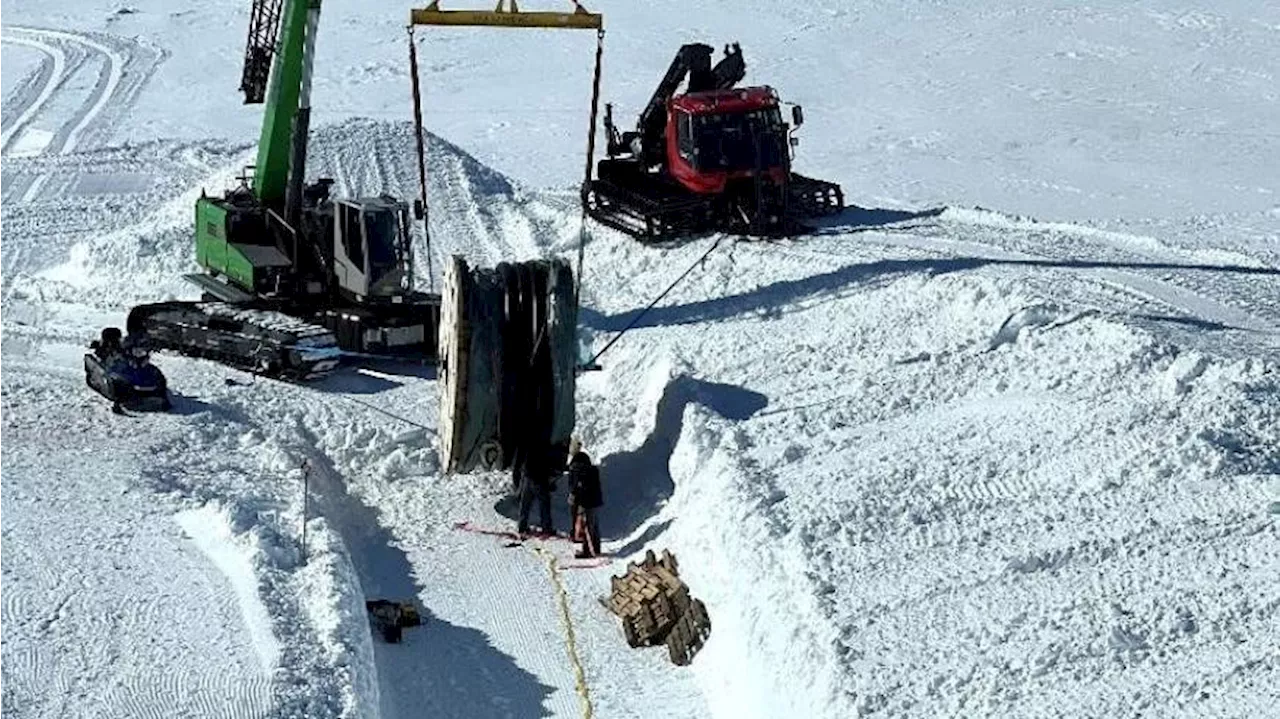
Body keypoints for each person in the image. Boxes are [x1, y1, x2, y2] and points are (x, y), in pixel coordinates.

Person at [566, 439, 603, 559]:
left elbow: (576, 487)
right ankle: (595, 548)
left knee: (587, 526)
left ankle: (588, 551)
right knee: (594, 524)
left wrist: (577, 501)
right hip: (595, 500)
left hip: (586, 500)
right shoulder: (592, 470)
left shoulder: (577, 470)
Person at [514, 444, 554, 537]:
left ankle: (522, 527)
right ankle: (546, 528)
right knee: (544, 504)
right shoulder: (544, 448)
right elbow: (547, 466)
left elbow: (521, 461)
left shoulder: (527, 447)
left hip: (528, 477)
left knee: (525, 504)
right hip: (539, 479)